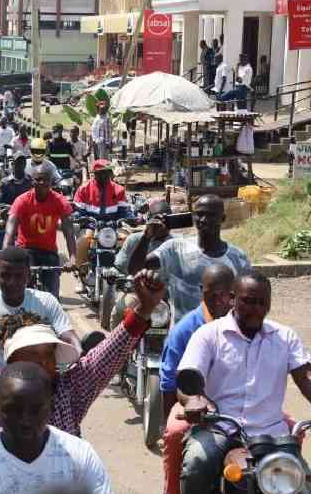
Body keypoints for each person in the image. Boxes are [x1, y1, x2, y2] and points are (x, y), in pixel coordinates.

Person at [0, 265, 165, 439]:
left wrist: (145, 307)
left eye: (47, 356)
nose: (39, 365)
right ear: (11, 362)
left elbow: (108, 354)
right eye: (29, 356)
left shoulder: (69, 390)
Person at [177, 271, 311, 494]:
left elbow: (304, 379)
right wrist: (193, 400)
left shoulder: (285, 337)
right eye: (248, 301)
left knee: (302, 483)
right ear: (232, 298)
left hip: (272, 435)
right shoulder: (208, 334)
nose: (256, 308)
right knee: (196, 464)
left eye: (262, 303)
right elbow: (186, 380)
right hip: (219, 429)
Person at [0, 247, 80, 445]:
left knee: (70, 432)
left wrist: (77, 351)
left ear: (28, 276)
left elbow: (68, 334)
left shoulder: (46, 301)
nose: (12, 282)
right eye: (5, 275)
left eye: (18, 276)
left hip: (37, 384)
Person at [0, 361, 112, 494]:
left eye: (35, 410)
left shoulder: (81, 456)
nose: (25, 420)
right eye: (14, 410)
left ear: (52, 407)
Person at [159, 264, 235, 494]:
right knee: (173, 433)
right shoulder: (184, 330)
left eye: (225, 295)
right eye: (212, 295)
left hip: (238, 403)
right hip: (193, 403)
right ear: (202, 291)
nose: (219, 301)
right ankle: (173, 489)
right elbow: (169, 383)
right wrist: (171, 417)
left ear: (233, 294)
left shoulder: (244, 324)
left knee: (290, 428)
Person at [130, 194, 250, 323]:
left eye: (210, 215)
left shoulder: (238, 258)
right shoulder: (176, 248)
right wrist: (146, 236)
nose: (203, 219)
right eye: (199, 214)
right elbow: (134, 269)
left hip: (221, 337)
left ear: (223, 218)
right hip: (183, 336)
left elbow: (247, 301)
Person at [4, 166, 76, 300]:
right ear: (32, 181)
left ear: (51, 182)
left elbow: (69, 230)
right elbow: (10, 230)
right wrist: (7, 255)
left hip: (49, 251)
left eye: (45, 180)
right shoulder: (22, 200)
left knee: (53, 294)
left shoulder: (59, 200)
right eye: (38, 179)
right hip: (25, 250)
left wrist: (72, 257)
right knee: (20, 291)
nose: (41, 183)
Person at [73, 160, 133, 274]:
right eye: (102, 172)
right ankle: (82, 275)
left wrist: (132, 218)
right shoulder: (84, 189)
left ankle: (124, 272)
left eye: (108, 172)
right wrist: (76, 216)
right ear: (95, 174)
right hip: (91, 227)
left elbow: (125, 211)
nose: (106, 175)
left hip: (113, 227)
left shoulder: (119, 190)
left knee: (128, 240)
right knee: (82, 242)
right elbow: (78, 210)